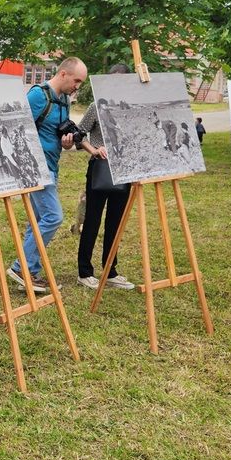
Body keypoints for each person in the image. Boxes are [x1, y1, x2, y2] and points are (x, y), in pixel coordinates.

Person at [7, 57, 99, 293]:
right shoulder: (38, 95)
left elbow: (59, 132)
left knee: (38, 221)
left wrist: (67, 143)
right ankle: (21, 267)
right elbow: (15, 128)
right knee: (53, 217)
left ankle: (30, 272)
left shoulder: (65, 99)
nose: (77, 86)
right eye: (76, 80)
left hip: (52, 165)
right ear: (63, 74)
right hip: (36, 168)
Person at [76, 62, 134, 291]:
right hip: (99, 170)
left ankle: (110, 271)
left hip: (124, 171)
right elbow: (78, 134)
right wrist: (94, 150)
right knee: (92, 220)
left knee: (115, 223)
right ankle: (84, 272)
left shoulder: (130, 108)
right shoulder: (96, 106)